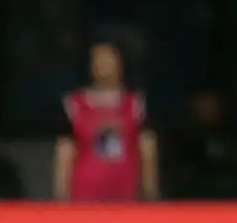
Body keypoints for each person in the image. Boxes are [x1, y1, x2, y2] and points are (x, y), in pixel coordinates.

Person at [53, 41, 159, 202]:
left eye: (109, 60)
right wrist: (60, 197)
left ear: (120, 64)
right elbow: (65, 151)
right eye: (99, 60)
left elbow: (147, 148)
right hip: (84, 196)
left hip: (125, 194)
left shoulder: (137, 105)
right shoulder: (73, 105)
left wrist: (151, 194)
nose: (104, 66)